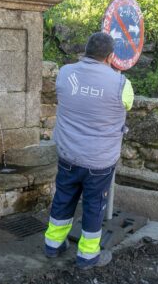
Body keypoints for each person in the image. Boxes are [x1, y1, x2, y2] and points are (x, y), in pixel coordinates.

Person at [44, 32, 134, 270]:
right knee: (94, 205)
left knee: (63, 197)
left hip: (68, 154)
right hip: (100, 161)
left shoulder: (65, 73)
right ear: (110, 57)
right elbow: (127, 105)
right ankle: (87, 255)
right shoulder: (122, 84)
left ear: (85, 50)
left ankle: (53, 245)